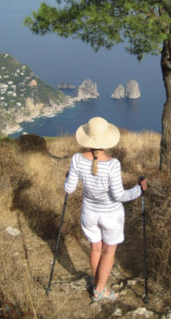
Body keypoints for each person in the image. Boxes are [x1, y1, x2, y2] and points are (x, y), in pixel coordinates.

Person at [64, 116, 148, 302]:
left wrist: (68, 176)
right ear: (106, 140)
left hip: (89, 213)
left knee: (95, 248)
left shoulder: (77, 159)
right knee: (109, 251)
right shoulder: (112, 164)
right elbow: (119, 196)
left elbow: (69, 189)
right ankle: (100, 291)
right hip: (111, 215)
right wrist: (138, 190)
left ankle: (97, 284)